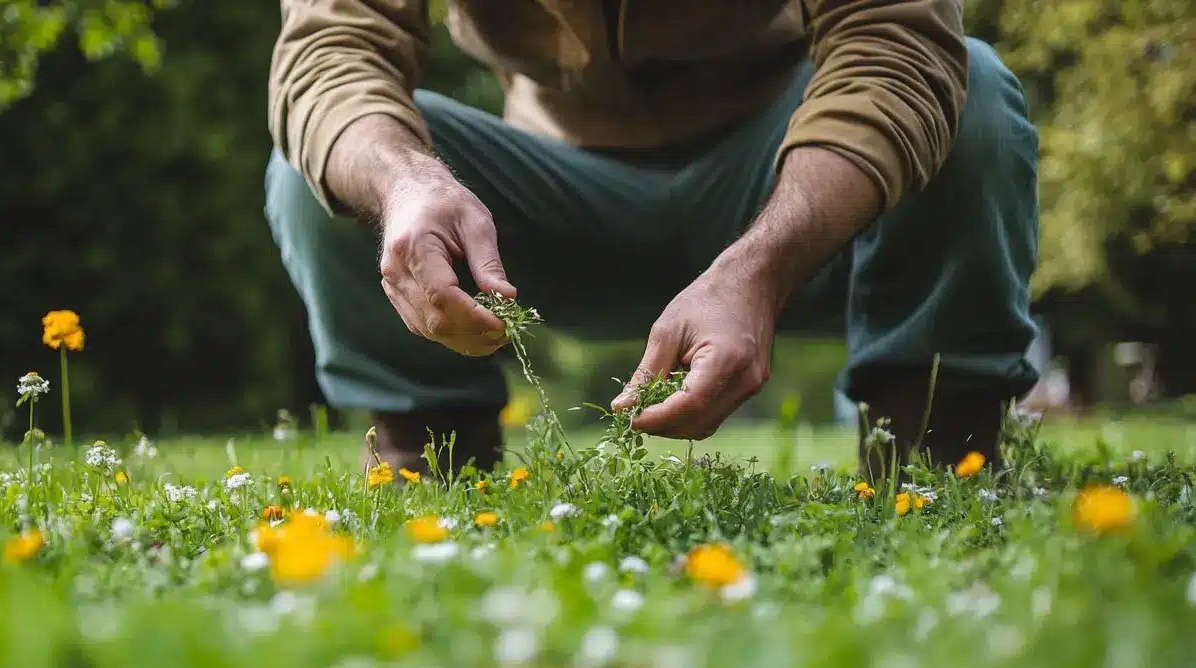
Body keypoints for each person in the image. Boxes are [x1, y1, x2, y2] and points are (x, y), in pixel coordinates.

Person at [265, 0, 1040, 476]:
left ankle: (941, 452)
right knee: (338, 160)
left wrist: (760, 268)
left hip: (790, 182)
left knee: (968, 89)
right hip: (552, 201)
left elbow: (896, 39)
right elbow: (330, 51)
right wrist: (407, 184)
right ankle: (426, 458)